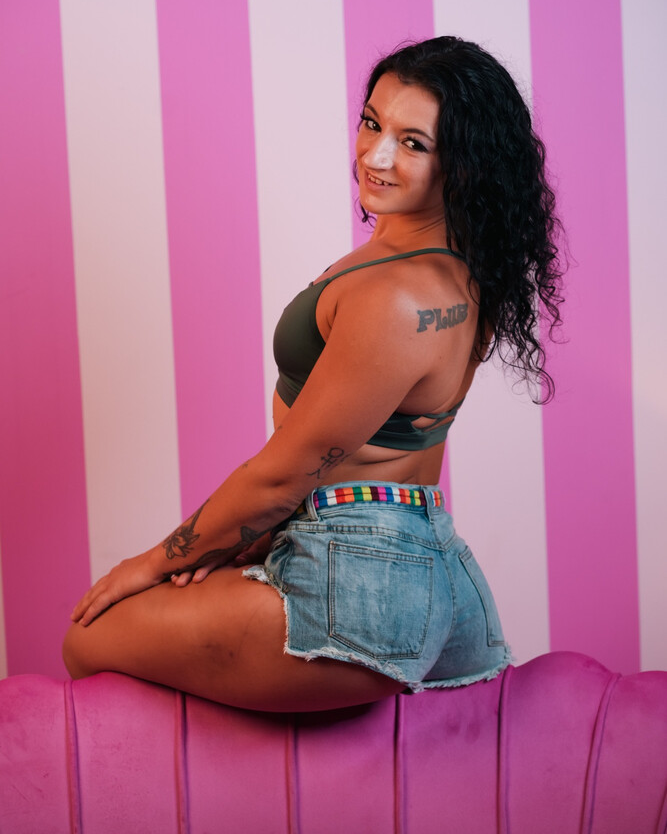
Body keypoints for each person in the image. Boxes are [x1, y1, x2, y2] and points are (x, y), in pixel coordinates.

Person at [63, 37, 563, 712]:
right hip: (419, 562)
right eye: (372, 123)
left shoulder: (396, 297)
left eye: (413, 143)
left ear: (464, 164)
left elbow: (282, 474)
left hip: (360, 582)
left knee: (88, 638)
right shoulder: (457, 273)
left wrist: (154, 561)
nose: (375, 156)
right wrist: (256, 537)